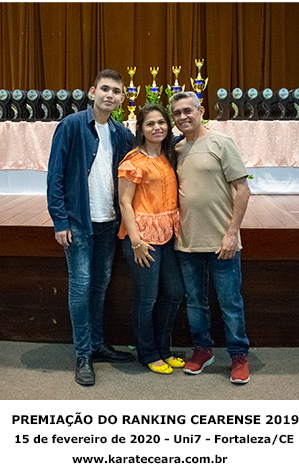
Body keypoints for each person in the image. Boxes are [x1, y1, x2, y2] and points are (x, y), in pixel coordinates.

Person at [47, 69, 136, 387]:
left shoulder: (121, 132)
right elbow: (55, 175)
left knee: (100, 286)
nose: (110, 95)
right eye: (105, 89)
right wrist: (60, 220)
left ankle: (98, 345)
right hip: (79, 224)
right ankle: (83, 354)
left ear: (122, 99)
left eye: (116, 91)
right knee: (81, 287)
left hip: (108, 223)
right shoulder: (71, 126)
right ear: (92, 92)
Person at [169, 91, 252, 384]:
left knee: (230, 303)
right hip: (187, 241)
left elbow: (243, 189)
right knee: (195, 302)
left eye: (187, 110)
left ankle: (239, 356)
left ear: (201, 110)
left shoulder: (221, 143)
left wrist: (232, 233)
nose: (183, 117)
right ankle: (202, 350)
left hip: (222, 242)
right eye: (177, 113)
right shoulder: (176, 149)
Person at [118, 103, 185, 375]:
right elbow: (124, 202)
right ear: (141, 129)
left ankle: (163, 348)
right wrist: (136, 241)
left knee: (175, 292)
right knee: (147, 298)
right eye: (150, 124)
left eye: (161, 122)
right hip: (142, 238)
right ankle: (147, 352)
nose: (157, 127)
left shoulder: (169, 154)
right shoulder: (133, 160)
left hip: (167, 235)